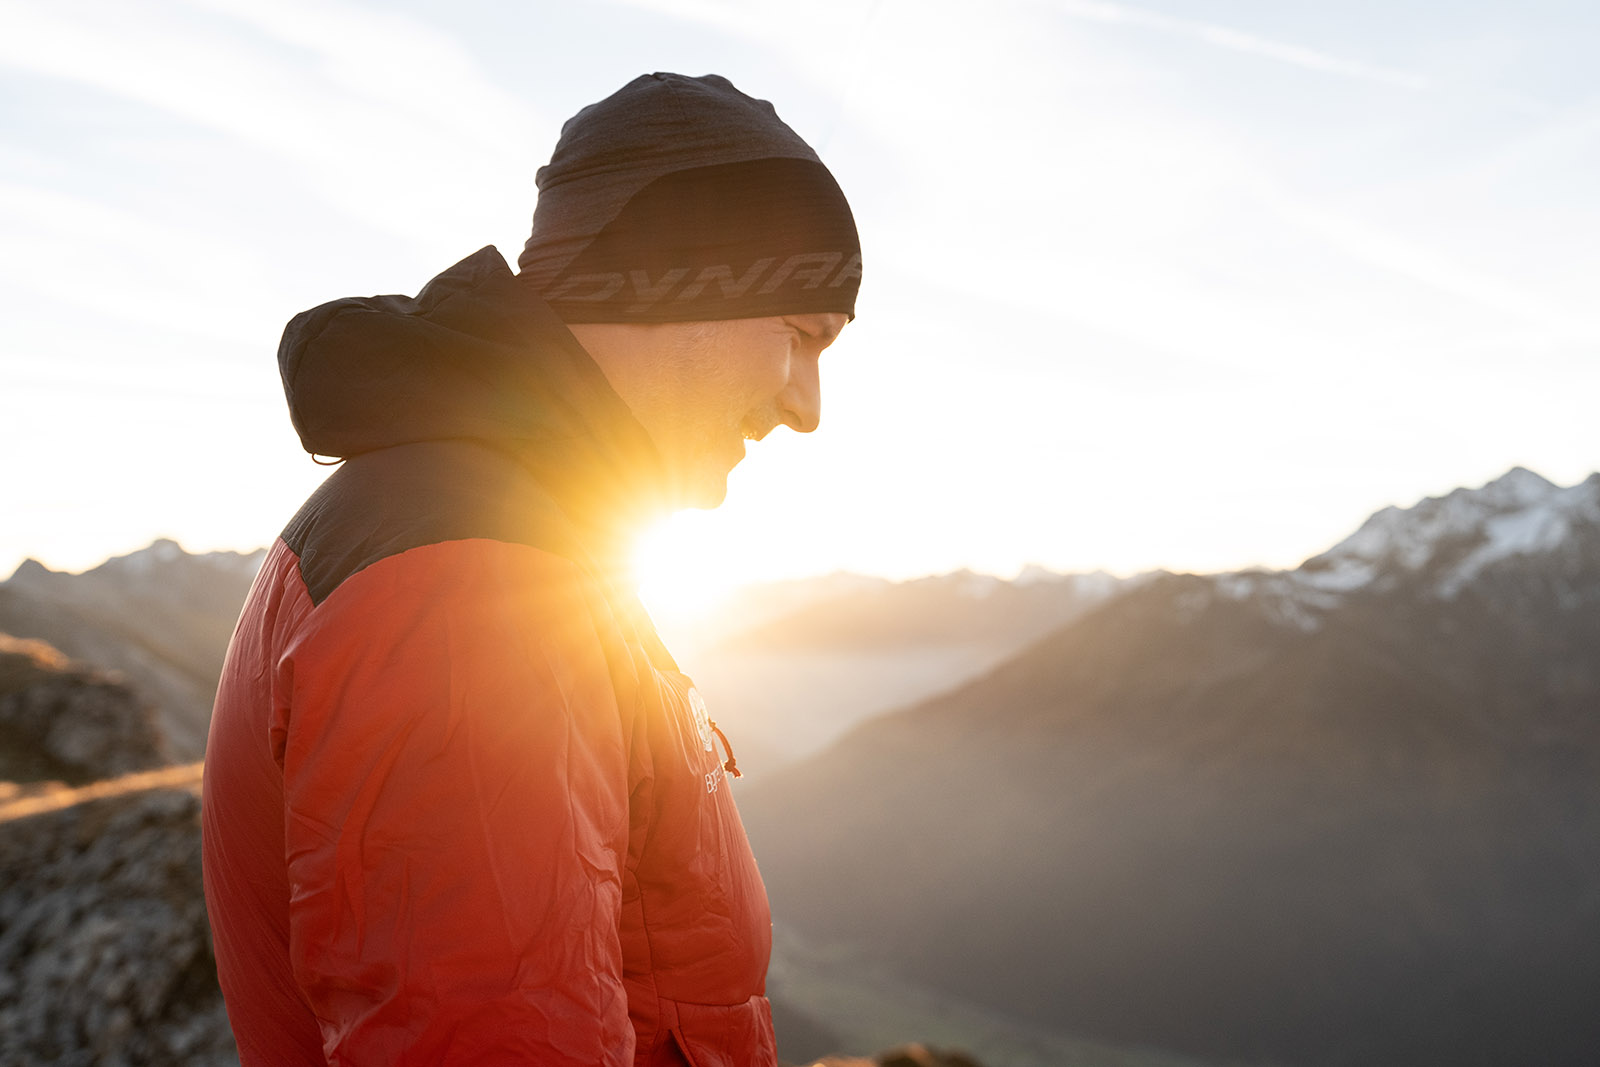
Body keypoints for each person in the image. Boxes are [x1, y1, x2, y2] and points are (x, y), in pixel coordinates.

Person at [200, 72, 860, 1066]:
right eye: (800, 336)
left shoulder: (503, 533)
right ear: (674, 281)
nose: (807, 405)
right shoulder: (472, 583)